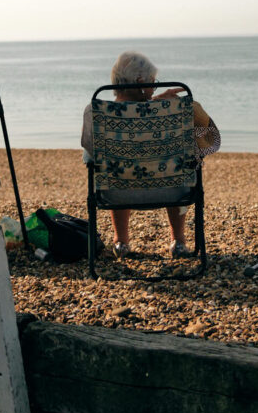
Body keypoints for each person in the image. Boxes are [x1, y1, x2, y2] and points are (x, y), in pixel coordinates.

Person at [81, 51, 220, 260]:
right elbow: (209, 135)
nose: (154, 88)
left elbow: (90, 155)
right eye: (153, 83)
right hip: (173, 192)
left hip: (116, 194)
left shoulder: (95, 112)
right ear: (140, 81)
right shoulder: (174, 111)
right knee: (182, 162)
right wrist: (170, 105)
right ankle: (179, 242)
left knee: (113, 166)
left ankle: (121, 243)